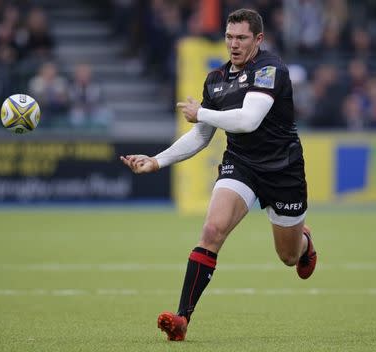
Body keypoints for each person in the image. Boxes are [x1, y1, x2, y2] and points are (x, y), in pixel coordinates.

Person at [120, 8, 317, 341]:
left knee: (287, 256)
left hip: (283, 170)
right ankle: (182, 320)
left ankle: (305, 242)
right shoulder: (216, 80)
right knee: (212, 230)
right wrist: (157, 161)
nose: (233, 44)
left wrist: (200, 112)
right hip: (240, 163)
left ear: (258, 39)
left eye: (241, 38)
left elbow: (248, 120)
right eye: (229, 37)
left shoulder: (270, 70)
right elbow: (201, 134)